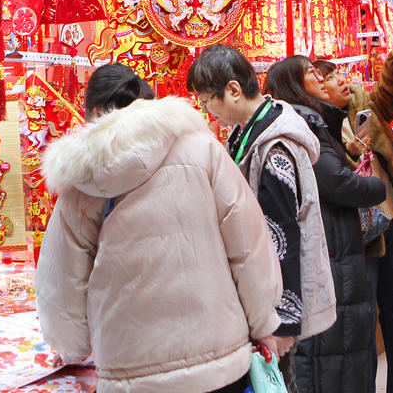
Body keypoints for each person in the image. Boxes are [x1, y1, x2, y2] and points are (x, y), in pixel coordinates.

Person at [36, 63, 285, 393]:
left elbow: (61, 280)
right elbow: (249, 248)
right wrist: (263, 323)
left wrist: (72, 347)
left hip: (130, 372)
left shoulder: (82, 179)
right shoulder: (203, 150)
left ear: (95, 112)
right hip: (219, 360)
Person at [188, 46, 336, 393]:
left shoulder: (275, 146)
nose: (208, 111)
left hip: (276, 301)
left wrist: (282, 323)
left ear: (233, 90)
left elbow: (284, 236)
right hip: (262, 293)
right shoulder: (249, 130)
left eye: (207, 101)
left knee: (278, 381)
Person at [265, 56, 386, 393]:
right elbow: (337, 183)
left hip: (335, 251)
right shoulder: (303, 126)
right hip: (329, 255)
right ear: (293, 84)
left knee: (338, 357)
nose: (321, 78)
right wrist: (376, 187)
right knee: (332, 360)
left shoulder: (312, 122)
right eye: (312, 73)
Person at [315, 30, 393, 393]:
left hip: (392, 222)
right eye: (328, 78)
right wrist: (350, 150)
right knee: (362, 324)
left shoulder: (361, 106)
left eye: (338, 73)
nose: (339, 80)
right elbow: (332, 178)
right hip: (356, 236)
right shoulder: (314, 126)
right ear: (314, 89)